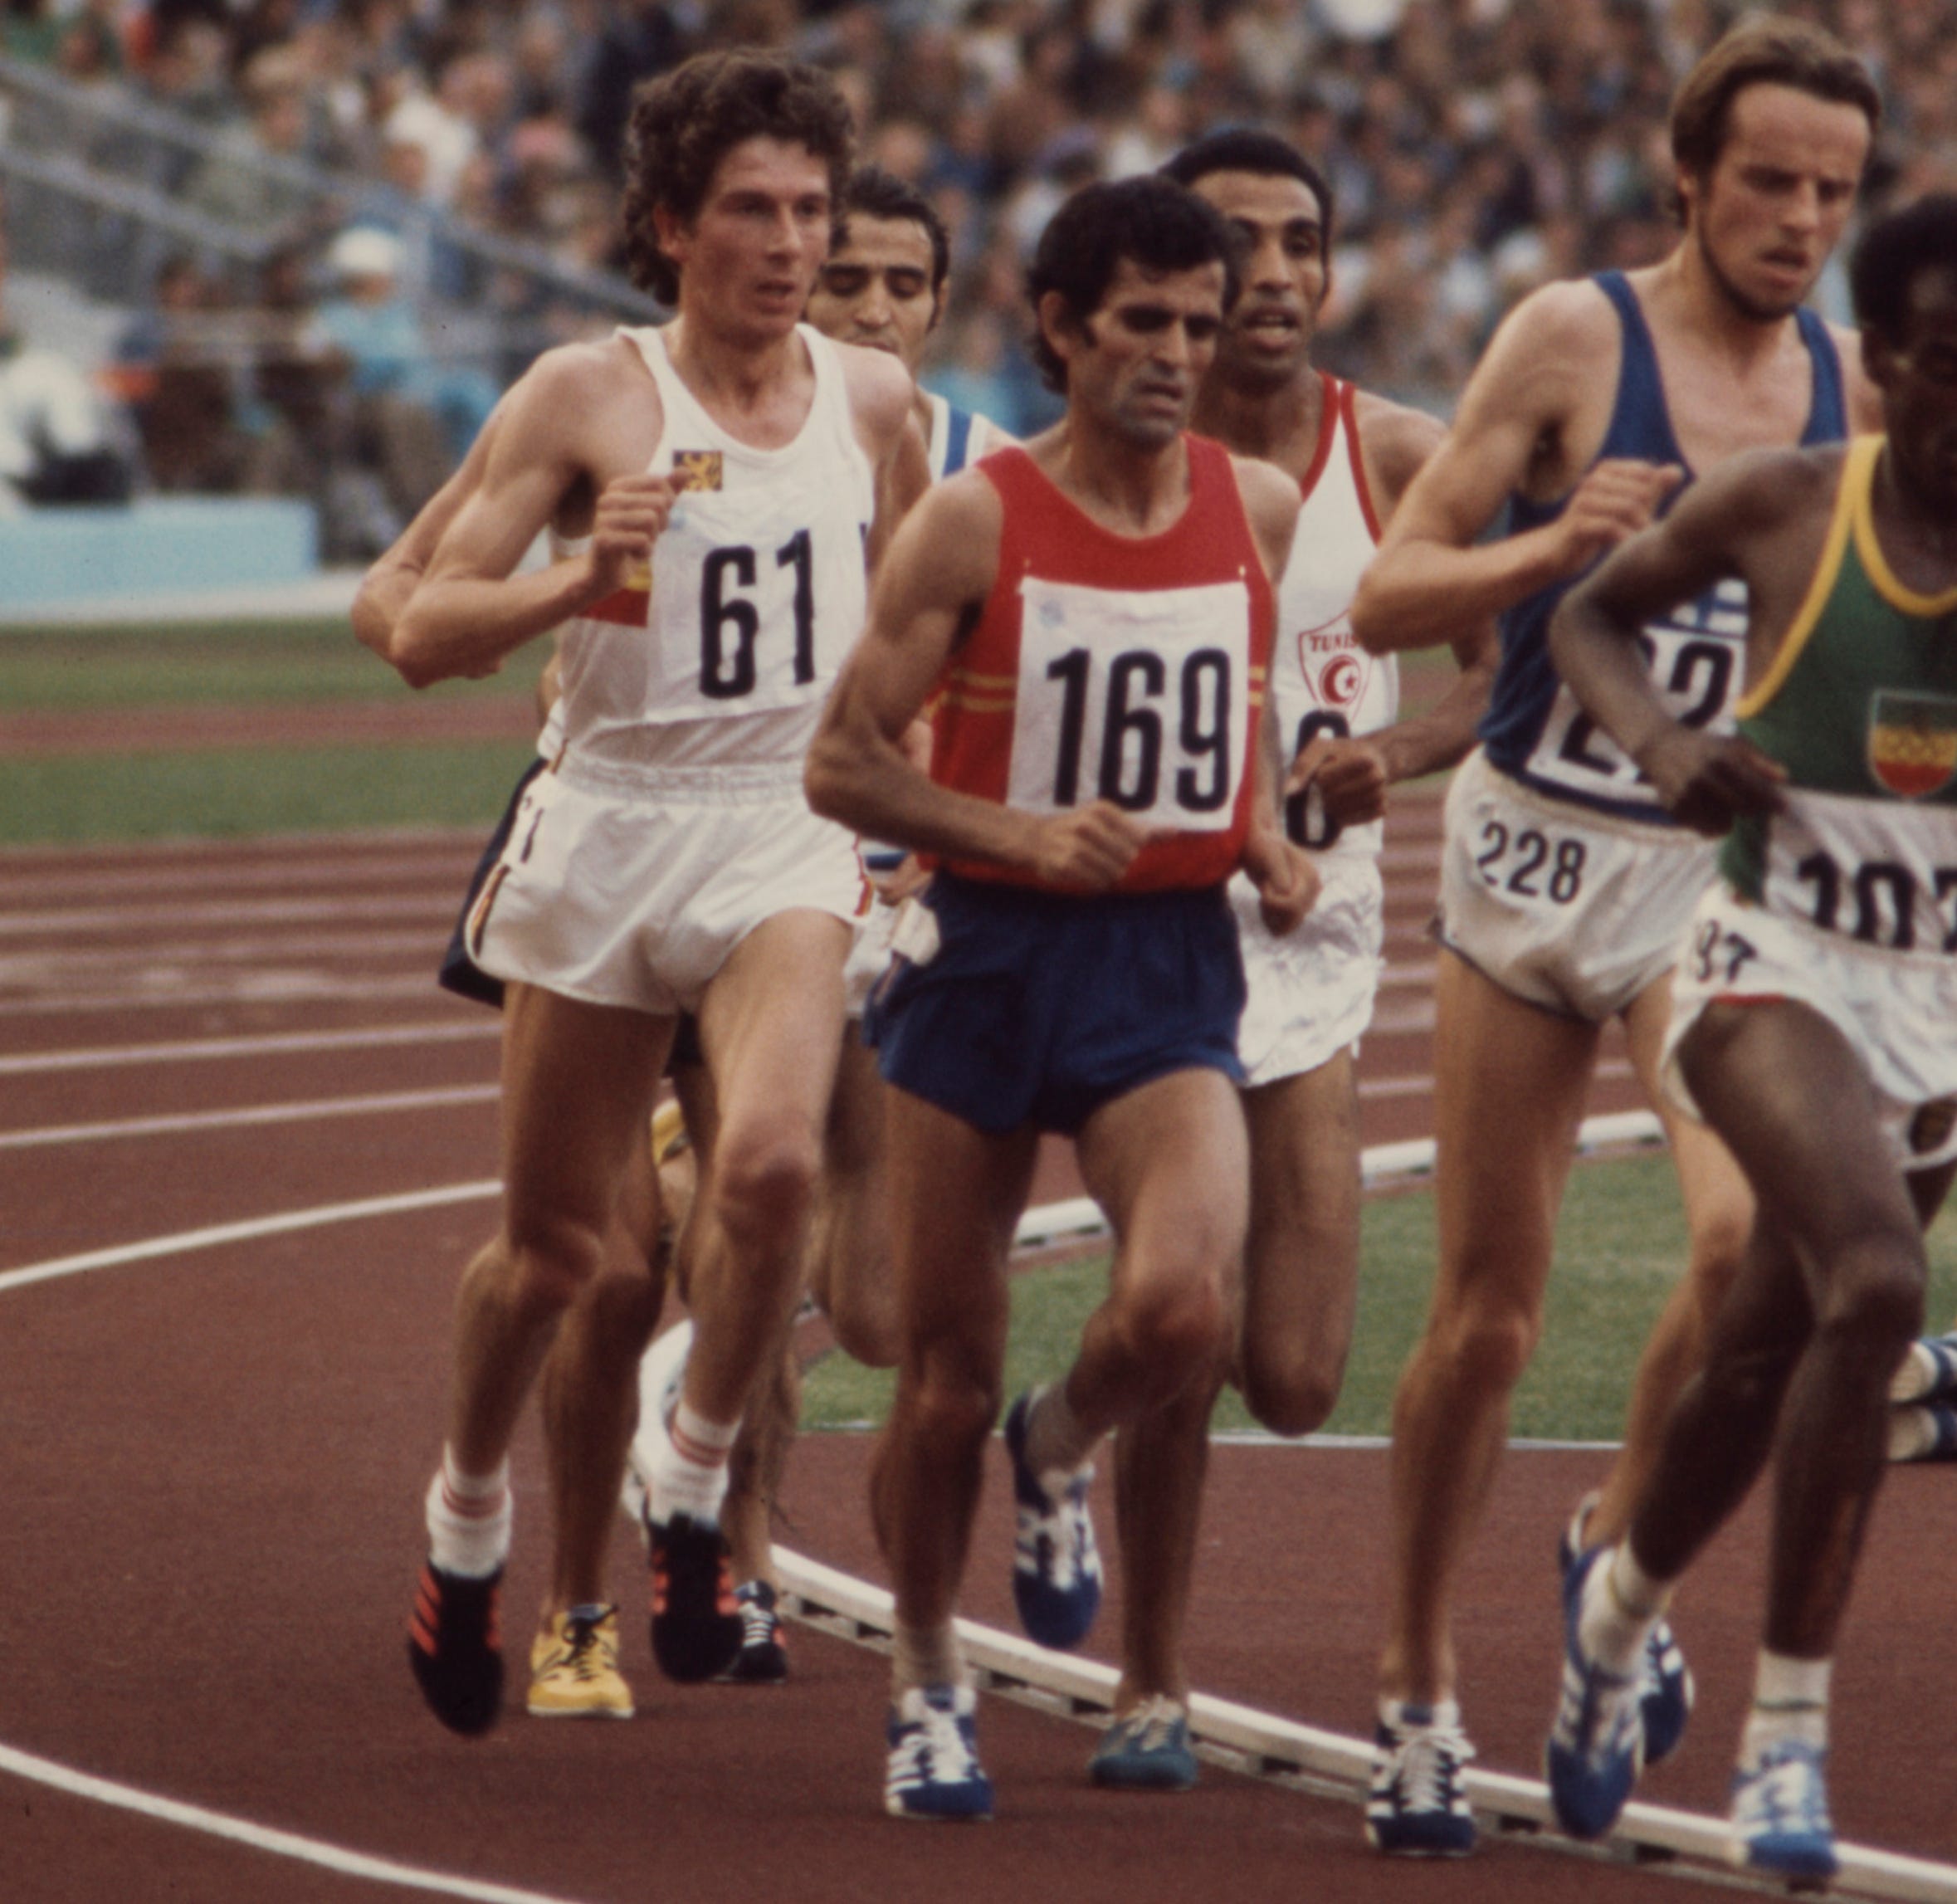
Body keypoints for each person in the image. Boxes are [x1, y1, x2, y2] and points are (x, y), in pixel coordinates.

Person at [1345, 14, 1881, 1855]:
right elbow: (1390, 582)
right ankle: (1414, 1685)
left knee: (1749, 1249)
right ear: (1686, 173)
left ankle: (1612, 1548)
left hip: (1710, 883)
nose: (1800, 216)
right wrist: (1548, 546)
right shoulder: (1577, 338)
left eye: (1833, 188)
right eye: (1768, 180)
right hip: (1532, 848)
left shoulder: (1856, 386)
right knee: (1487, 1315)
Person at [387, 47, 919, 1738]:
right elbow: (409, 627)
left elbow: (918, 624)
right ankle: (466, 1516)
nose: (787, 242)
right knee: (559, 1259)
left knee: (768, 1165)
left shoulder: (871, 402)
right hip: (611, 826)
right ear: (672, 224)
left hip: (781, 827)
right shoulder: (585, 397)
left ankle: (687, 1491)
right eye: (751, 210)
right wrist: (575, 579)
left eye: (811, 211)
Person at [805, 172, 1317, 1819]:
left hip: (1165, 965)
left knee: (1182, 1311)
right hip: (987, 961)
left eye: (1200, 323)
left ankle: (1061, 1440)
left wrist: (1257, 832)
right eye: (1144, 324)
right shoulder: (978, 519)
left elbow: (1224, 707)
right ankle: (930, 1673)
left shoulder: (1262, 506)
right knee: (937, 1372)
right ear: (1062, 330)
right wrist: (1013, 829)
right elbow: (843, 763)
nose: (1178, 353)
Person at [1537, 189, 1957, 1883]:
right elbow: (1585, 621)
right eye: (1949, 366)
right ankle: (1786, 1742)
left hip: (1932, 1005)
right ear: (1888, 371)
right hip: (1764, 961)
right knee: (1874, 1282)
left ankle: (1615, 1616)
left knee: (1759, 1363)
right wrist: (1657, 742)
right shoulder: (1788, 506)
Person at [1077, 129, 1499, 1793]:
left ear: (1332, 271)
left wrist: (1383, 762)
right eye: (1237, 245)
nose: (1273, 276)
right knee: (1182, 1327)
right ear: (1178, 274)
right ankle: (1150, 1681)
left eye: (1303, 244)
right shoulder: (1119, 458)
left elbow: (1502, 672)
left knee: (1302, 1372)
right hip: (1152, 935)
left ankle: (1059, 1421)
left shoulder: (1396, 457)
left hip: (1317, 940)